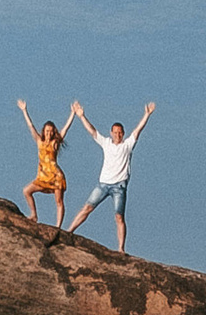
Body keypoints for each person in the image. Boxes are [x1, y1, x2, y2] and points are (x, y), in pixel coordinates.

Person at [58, 101, 154, 253]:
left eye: (120, 132)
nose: (117, 134)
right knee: (87, 208)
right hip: (103, 184)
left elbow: (137, 131)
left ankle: (121, 248)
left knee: (119, 217)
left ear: (123, 133)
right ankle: (69, 231)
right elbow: (93, 131)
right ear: (111, 133)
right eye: (115, 132)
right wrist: (82, 116)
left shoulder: (127, 145)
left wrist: (147, 115)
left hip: (119, 187)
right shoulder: (106, 143)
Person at [15, 98, 79, 228]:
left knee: (59, 201)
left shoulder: (55, 143)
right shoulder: (40, 141)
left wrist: (72, 114)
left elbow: (65, 130)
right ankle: (34, 214)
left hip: (55, 176)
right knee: (26, 191)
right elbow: (31, 126)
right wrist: (24, 111)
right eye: (47, 130)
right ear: (43, 131)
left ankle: (58, 226)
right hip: (43, 176)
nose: (49, 133)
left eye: (51, 131)